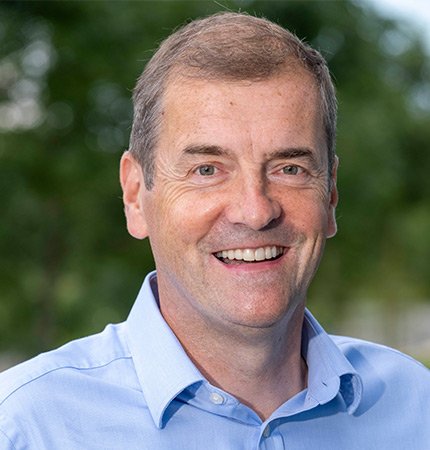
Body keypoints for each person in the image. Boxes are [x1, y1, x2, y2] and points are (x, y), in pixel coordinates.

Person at [0, 12, 429, 449]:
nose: (255, 210)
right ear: (134, 195)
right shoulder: (28, 428)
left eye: (290, 168)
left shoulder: (416, 407)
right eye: (207, 169)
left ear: (331, 193)